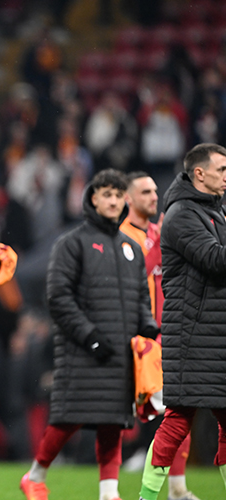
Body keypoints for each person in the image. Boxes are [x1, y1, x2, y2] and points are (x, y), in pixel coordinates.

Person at [18, 169, 159, 500]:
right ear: (92, 199)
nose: (112, 201)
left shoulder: (130, 247)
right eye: (105, 195)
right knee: (68, 419)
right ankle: (35, 475)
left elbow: (141, 294)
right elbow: (58, 298)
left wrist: (147, 326)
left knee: (114, 422)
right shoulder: (72, 243)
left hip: (121, 349)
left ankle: (109, 493)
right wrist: (90, 336)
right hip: (82, 350)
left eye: (116, 195)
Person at [138, 143, 226, 500]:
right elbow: (214, 259)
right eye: (222, 169)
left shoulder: (216, 212)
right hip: (192, 332)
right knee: (177, 419)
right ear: (199, 173)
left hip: (215, 333)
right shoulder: (180, 214)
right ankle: (148, 496)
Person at [121, 173, 199, 500]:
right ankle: (110, 484)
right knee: (123, 418)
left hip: (168, 336)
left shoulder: (158, 232)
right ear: (128, 198)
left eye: (156, 191)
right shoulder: (121, 236)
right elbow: (138, 274)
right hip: (136, 338)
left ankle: (176, 488)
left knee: (177, 412)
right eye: (146, 192)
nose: (154, 197)